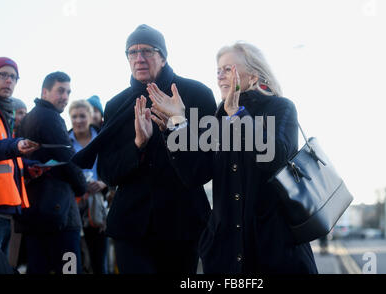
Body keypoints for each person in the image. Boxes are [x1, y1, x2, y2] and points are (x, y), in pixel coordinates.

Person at [146, 42, 319, 273]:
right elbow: (195, 174)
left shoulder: (281, 108)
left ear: (254, 75)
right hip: (225, 255)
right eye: (218, 70)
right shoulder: (218, 117)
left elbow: (274, 158)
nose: (220, 76)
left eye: (228, 69)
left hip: (274, 251)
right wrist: (177, 124)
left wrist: (238, 115)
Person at [72, 24, 217, 274]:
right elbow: (108, 173)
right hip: (131, 228)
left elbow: (203, 170)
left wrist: (177, 127)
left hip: (183, 225)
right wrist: (138, 144)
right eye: (132, 52)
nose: (138, 58)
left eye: (147, 51)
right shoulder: (116, 104)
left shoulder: (197, 94)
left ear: (163, 56)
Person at [15, 71, 87, 274]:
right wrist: (82, 186)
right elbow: (68, 158)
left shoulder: (29, 118)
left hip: (34, 212)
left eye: (68, 92)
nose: (65, 96)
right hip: (59, 213)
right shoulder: (51, 117)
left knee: (38, 268)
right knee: (70, 270)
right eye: (60, 91)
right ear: (45, 92)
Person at [0, 57, 39, 257]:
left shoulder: (4, 113)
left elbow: (6, 158)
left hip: (4, 205)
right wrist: (16, 145)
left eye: (13, 77)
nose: (9, 81)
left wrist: (29, 166)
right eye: (3, 75)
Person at [68, 99, 109, 274]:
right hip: (74, 204)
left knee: (99, 258)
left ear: (90, 117)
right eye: (74, 116)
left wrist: (104, 182)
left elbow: (114, 165)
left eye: (82, 116)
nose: (78, 120)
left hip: (98, 204)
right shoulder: (65, 140)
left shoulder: (103, 138)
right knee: (74, 258)